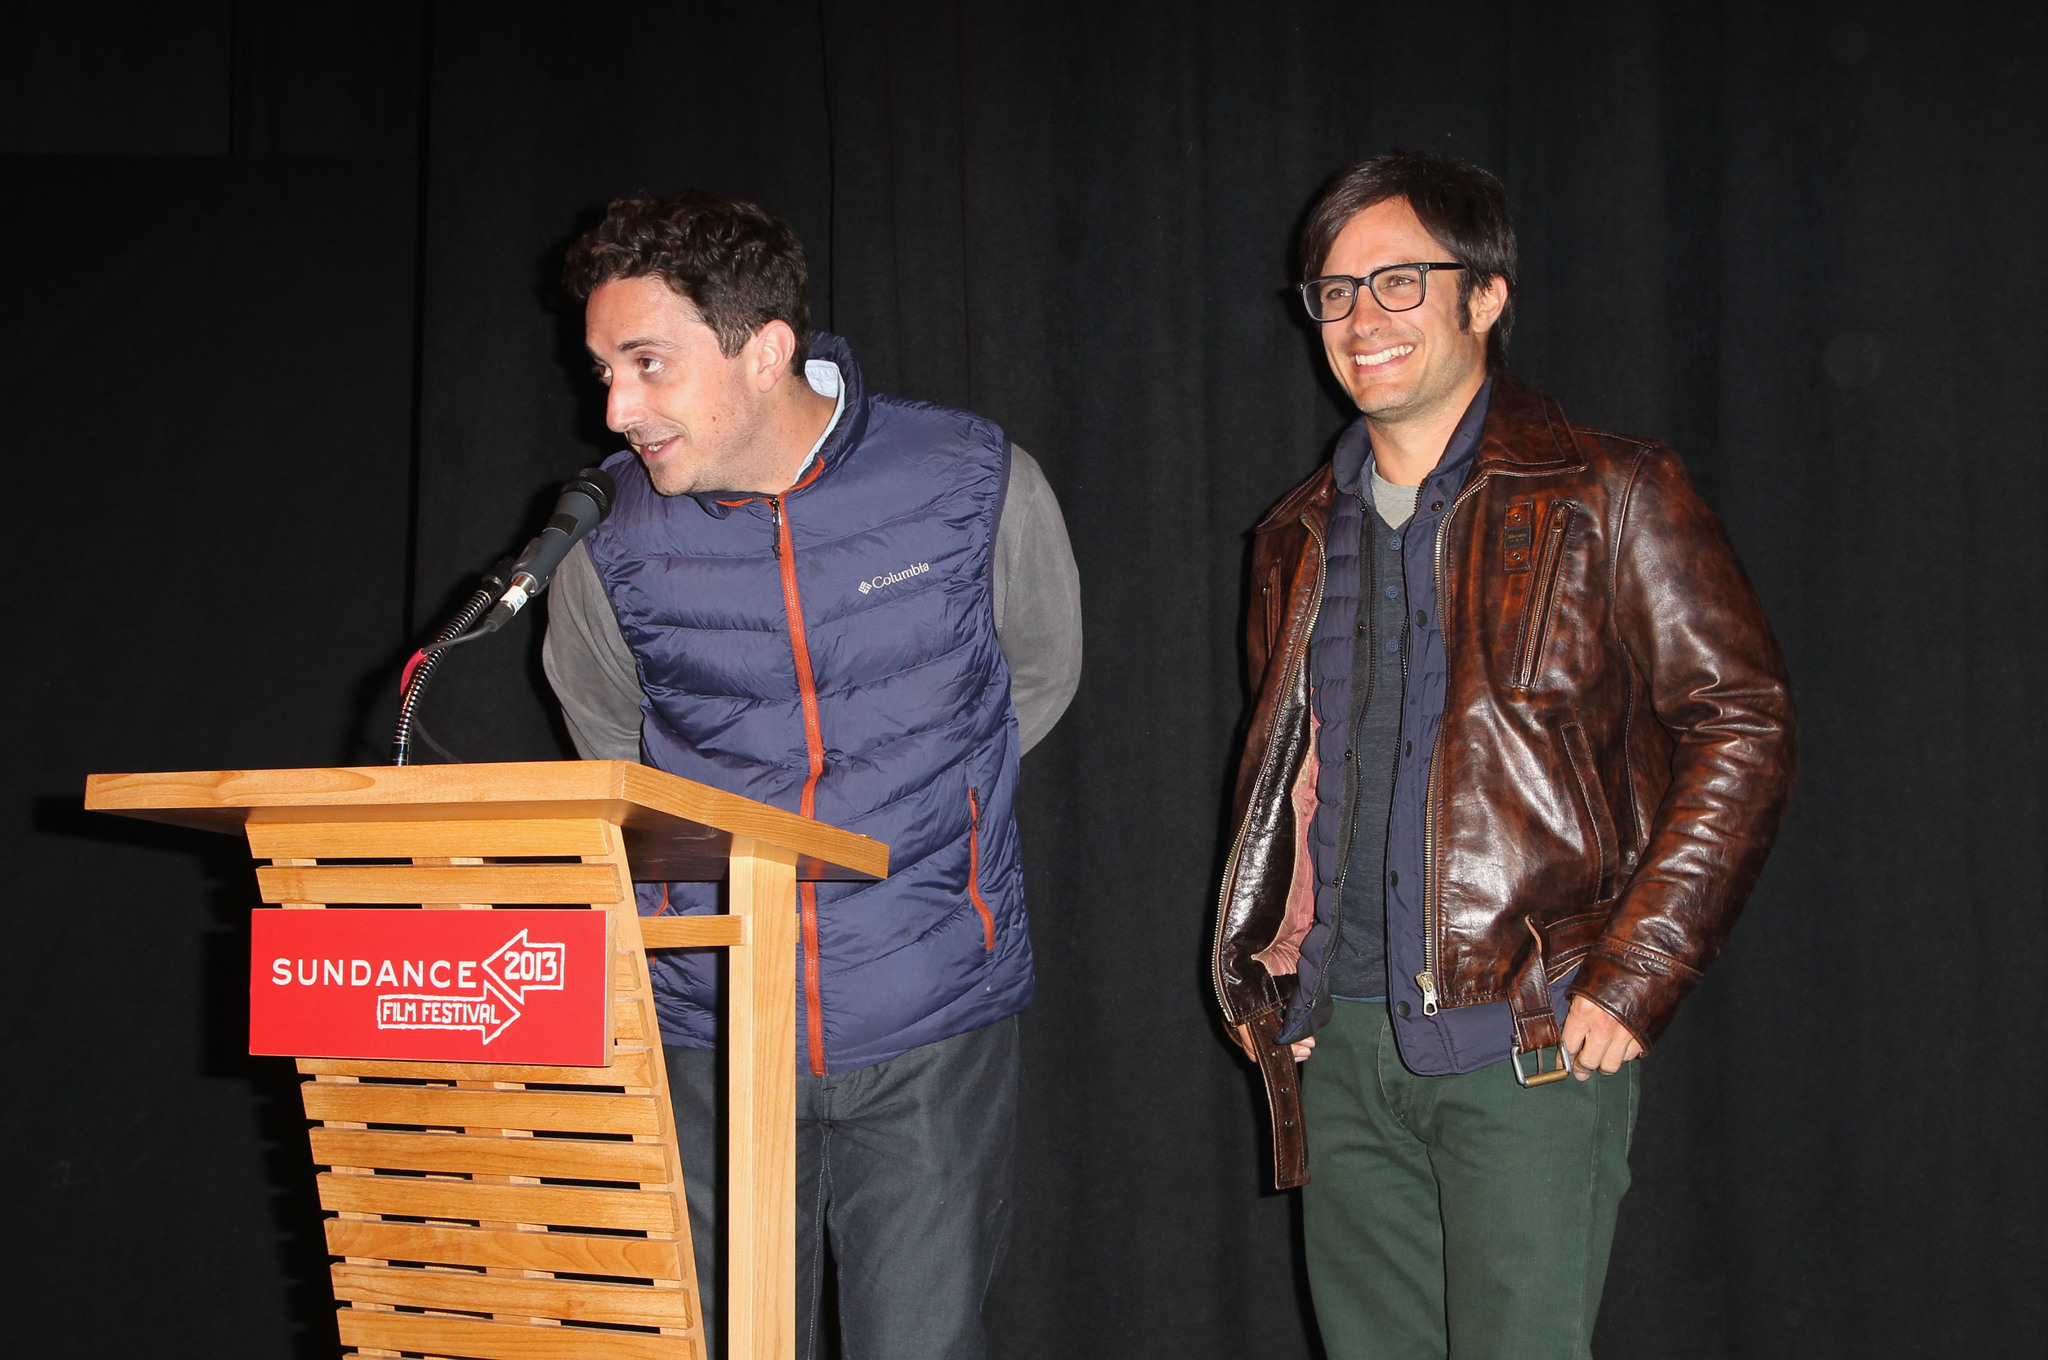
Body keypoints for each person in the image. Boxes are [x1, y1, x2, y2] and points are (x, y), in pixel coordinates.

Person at [1211, 151, 1795, 1358]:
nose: (1358, 318)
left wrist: (1634, 973)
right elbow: (1294, 773)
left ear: (1483, 297)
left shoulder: (1610, 492)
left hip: (1523, 1046)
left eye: (1396, 282)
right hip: (1342, 1048)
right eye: (1332, 291)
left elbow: (1740, 720)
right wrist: (1284, 967)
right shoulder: (1291, 536)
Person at [543, 191, 1081, 1359]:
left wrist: (930, 821)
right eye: (603, 370)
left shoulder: (968, 478)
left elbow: (1035, 676)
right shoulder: (610, 536)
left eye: (646, 364)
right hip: (710, 1032)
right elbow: (605, 742)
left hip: (929, 1013)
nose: (616, 406)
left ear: (765, 347)